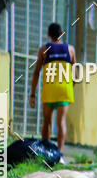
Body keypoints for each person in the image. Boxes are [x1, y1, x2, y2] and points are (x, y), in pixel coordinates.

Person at [30, 23, 76, 157]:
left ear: (49, 35)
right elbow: (75, 73)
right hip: (64, 90)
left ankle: (46, 152)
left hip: (49, 89)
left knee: (47, 121)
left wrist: (32, 94)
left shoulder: (44, 50)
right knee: (61, 122)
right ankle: (60, 154)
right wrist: (70, 87)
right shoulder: (71, 49)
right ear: (62, 33)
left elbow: (36, 72)